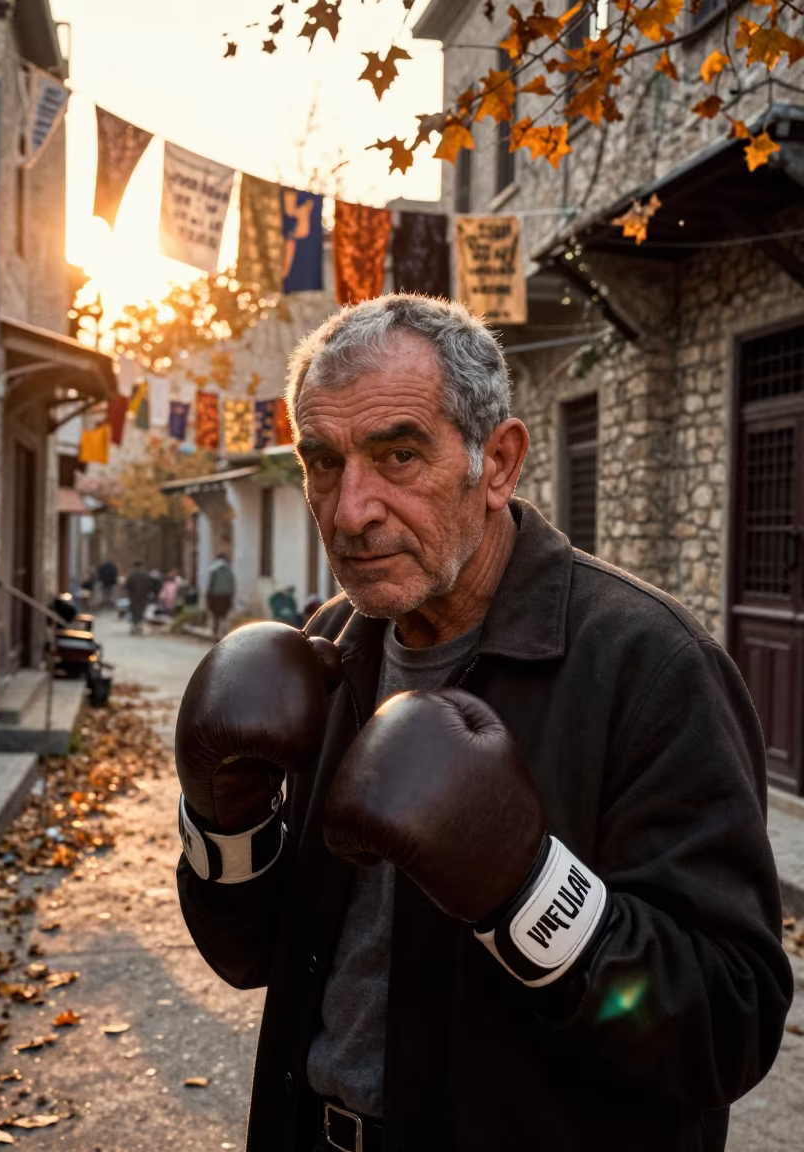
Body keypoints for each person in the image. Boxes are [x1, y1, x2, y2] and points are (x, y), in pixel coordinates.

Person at [174, 295, 793, 1152]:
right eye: (323, 462)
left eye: (398, 455)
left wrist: (530, 893)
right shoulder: (325, 653)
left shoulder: (653, 667)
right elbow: (248, 956)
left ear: (496, 463)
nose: (351, 510)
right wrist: (224, 821)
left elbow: (732, 1022)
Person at [206, 552, 235, 639]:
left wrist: (208, 595)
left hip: (216, 596)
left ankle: (215, 633)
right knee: (224, 615)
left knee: (215, 615)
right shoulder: (229, 570)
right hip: (226, 596)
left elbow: (211, 583)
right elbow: (232, 585)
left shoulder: (214, 569)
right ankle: (224, 631)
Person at [124, 561, 151, 636]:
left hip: (134, 596)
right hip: (143, 596)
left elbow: (128, 586)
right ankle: (140, 624)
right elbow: (149, 585)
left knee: (134, 611)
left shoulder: (132, 575)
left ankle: (134, 625)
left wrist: (130, 594)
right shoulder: (145, 575)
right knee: (141, 610)